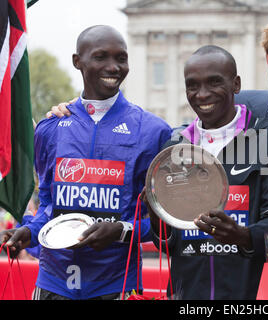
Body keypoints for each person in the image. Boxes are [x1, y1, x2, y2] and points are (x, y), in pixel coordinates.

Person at [0, 25, 172, 300]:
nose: (113, 67)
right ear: (77, 62)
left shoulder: (154, 131)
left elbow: (165, 222)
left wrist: (123, 232)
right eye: (101, 56)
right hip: (52, 283)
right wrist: (29, 232)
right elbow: (48, 205)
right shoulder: (50, 128)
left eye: (121, 58)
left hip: (117, 285)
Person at [142, 45, 268, 299]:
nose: (202, 94)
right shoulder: (175, 149)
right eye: (192, 85)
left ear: (236, 84)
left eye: (214, 83)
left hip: (251, 295)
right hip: (189, 294)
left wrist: (243, 237)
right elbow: (169, 244)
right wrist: (156, 212)